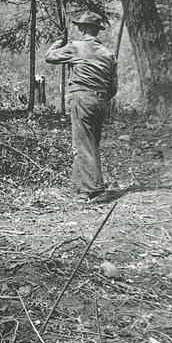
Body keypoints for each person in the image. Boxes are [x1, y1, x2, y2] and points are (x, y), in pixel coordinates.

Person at [45, 11, 117, 202]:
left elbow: (50, 57)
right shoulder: (108, 54)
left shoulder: (75, 47)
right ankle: (80, 187)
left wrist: (59, 41)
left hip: (82, 99)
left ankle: (95, 190)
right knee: (91, 144)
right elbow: (113, 88)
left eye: (79, 27)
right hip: (101, 102)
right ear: (97, 30)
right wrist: (99, 98)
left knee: (83, 145)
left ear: (83, 29)